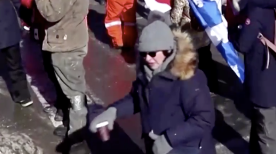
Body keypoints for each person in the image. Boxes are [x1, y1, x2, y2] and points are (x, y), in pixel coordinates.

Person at [90, 18, 216, 154]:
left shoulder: (188, 78)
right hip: (156, 145)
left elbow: (204, 119)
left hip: (186, 149)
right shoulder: (146, 72)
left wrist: (168, 140)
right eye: (143, 54)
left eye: (153, 53)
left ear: (168, 50)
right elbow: (138, 99)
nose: (148, 59)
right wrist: (113, 111)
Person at [232, 0, 276, 154]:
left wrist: (233, 30)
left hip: (262, 71)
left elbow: (243, 44)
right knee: (261, 119)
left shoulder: (256, 8)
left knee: (267, 126)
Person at [35, 0, 90, 146]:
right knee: (68, 90)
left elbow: (51, 12)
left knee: (74, 93)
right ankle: (72, 125)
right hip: (67, 41)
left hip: (67, 46)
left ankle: (77, 135)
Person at [170, 0, 218, 93]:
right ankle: (212, 84)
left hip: (190, 34)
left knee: (191, 61)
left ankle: (194, 88)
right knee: (207, 58)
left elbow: (175, 17)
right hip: (205, 32)